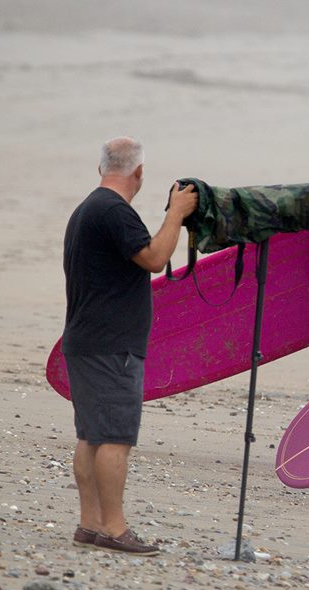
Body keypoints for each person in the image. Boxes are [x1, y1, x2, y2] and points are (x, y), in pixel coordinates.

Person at [62, 136, 197, 555]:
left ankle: (90, 524)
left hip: (84, 339)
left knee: (91, 436)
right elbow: (155, 258)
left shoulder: (87, 209)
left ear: (101, 168)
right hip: (111, 345)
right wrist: (176, 214)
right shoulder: (115, 212)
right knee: (115, 437)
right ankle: (115, 529)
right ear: (138, 173)